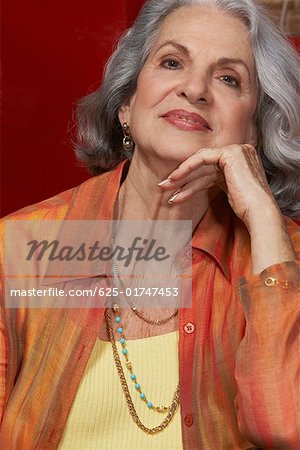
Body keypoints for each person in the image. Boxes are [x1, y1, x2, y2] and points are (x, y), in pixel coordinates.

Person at [1, 0, 300, 448]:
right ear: (126, 103)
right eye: (172, 62)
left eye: (228, 78)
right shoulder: (21, 245)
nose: (195, 88)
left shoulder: (284, 259)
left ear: (254, 130)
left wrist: (263, 218)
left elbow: (283, 427)